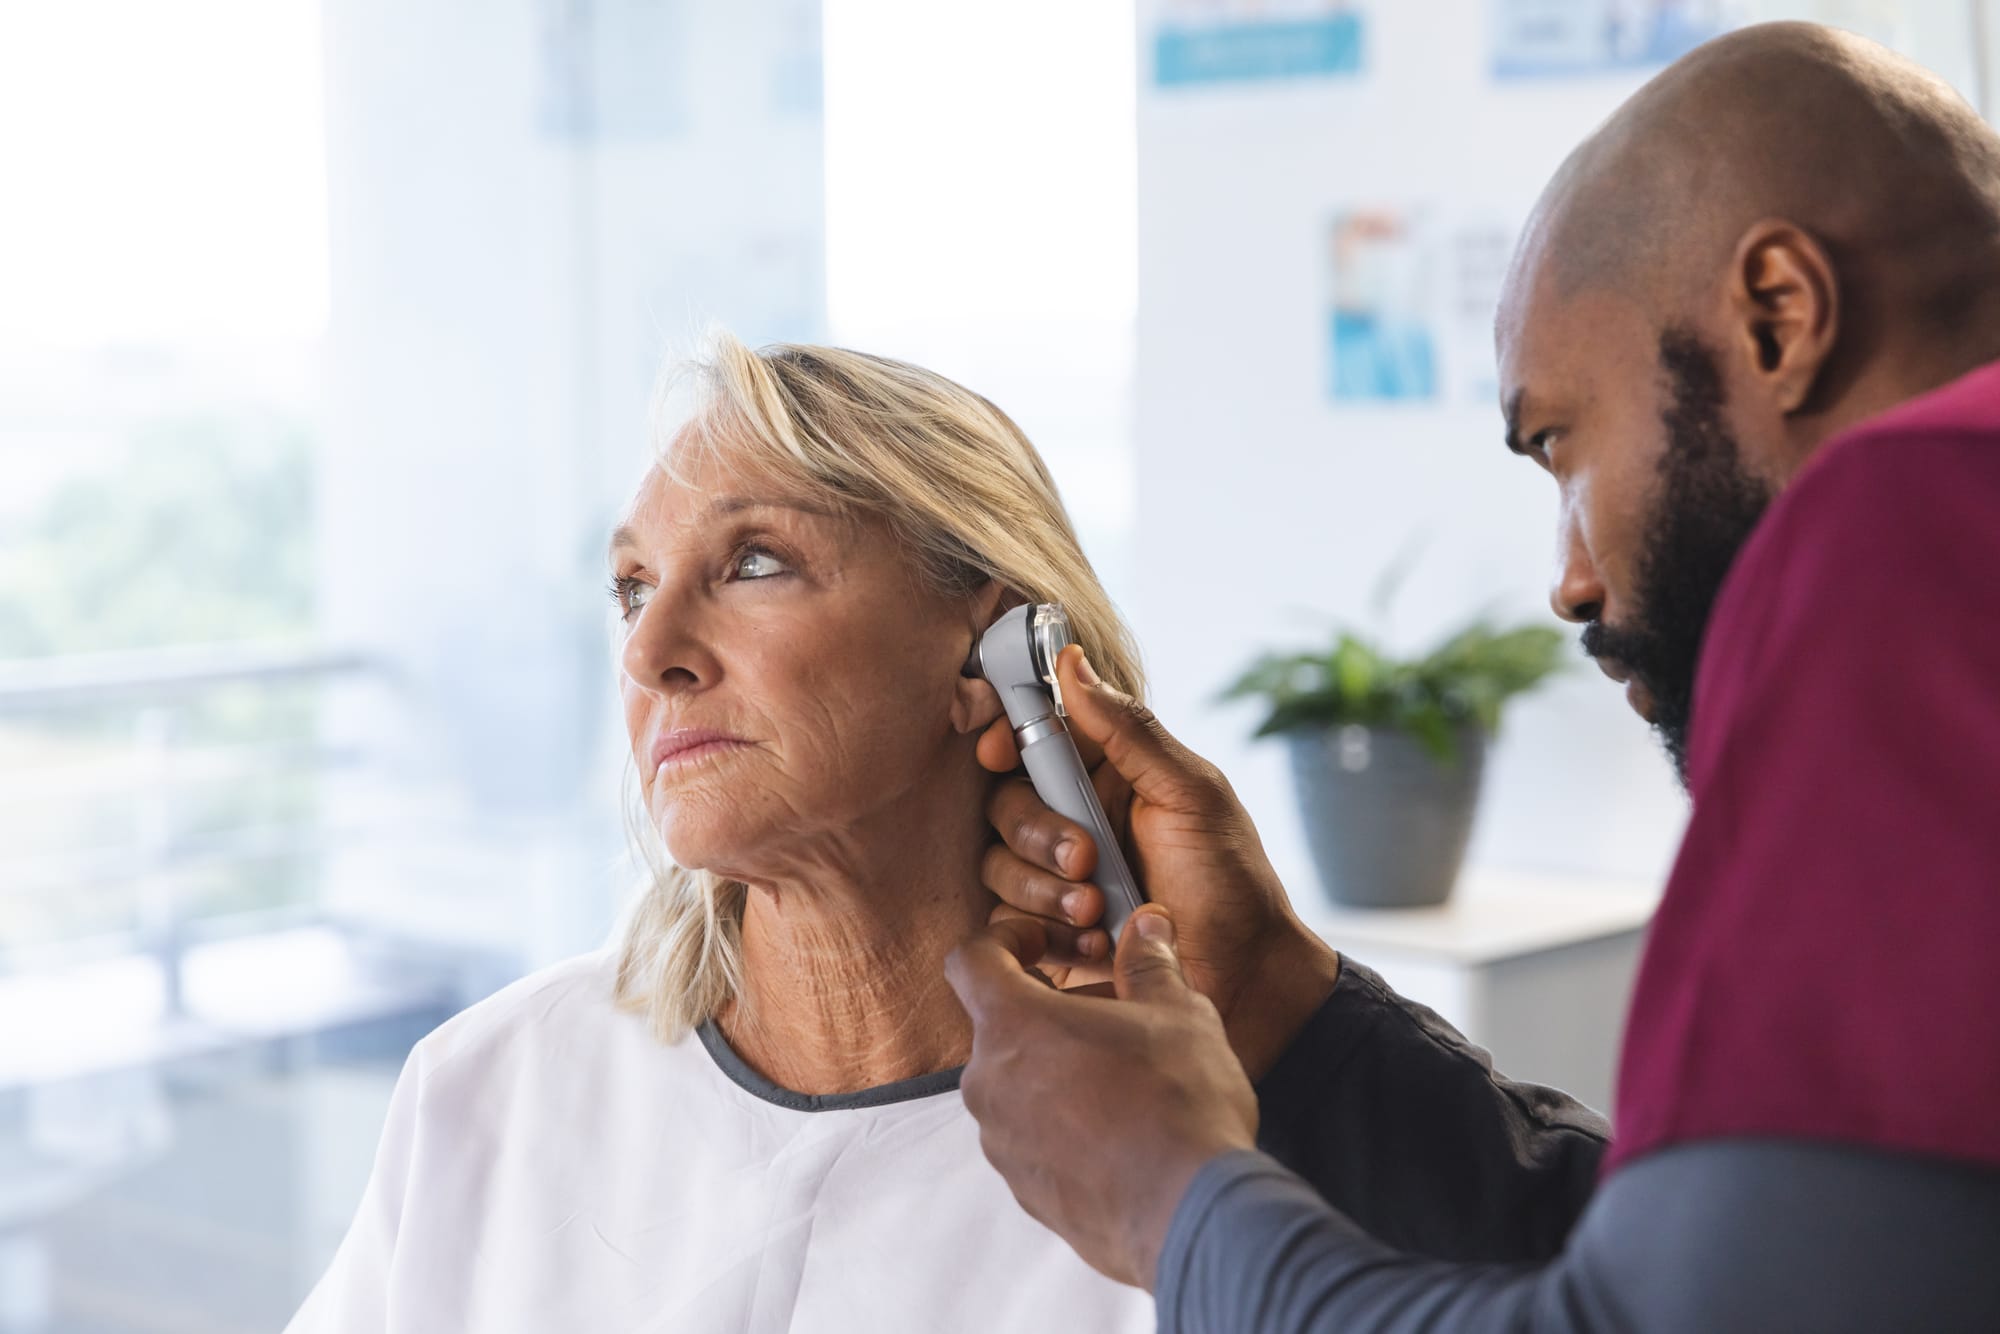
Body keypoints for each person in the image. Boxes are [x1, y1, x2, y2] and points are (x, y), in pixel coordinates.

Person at [946, 22, 2000, 1331]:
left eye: (1558, 442)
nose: (1567, 577)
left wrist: (1169, 1198)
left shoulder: (1921, 510)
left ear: (1779, 315)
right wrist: (1283, 1011)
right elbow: (1755, 1274)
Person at [284, 335, 1156, 1332]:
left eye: (752, 562)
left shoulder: (1183, 1150)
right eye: (632, 587)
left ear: (986, 654)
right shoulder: (485, 1088)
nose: (649, 651)